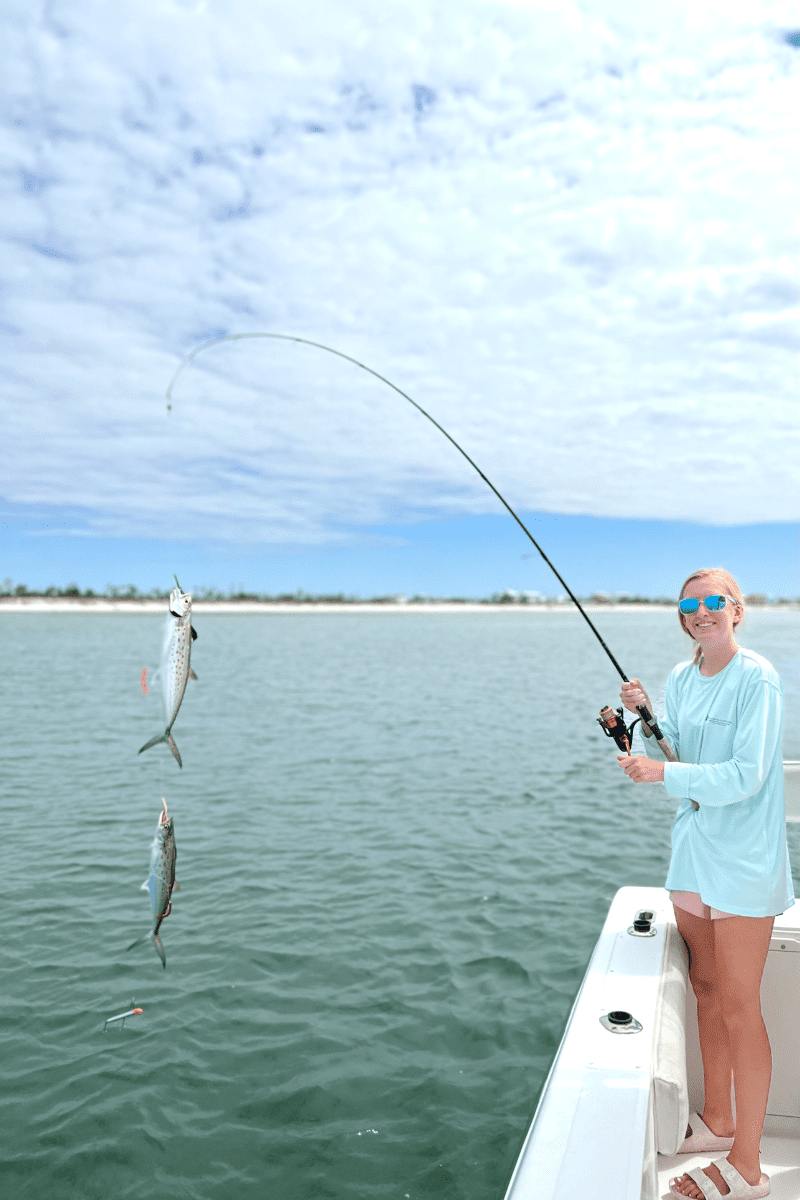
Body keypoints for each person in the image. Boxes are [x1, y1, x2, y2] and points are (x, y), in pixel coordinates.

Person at [616, 567, 794, 1200]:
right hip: (694, 856)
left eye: (714, 601)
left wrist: (663, 777)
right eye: (689, 605)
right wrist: (647, 719)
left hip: (744, 862)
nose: (701, 611)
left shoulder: (758, 679)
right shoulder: (682, 679)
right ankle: (718, 1120)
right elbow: (685, 751)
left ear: (737, 610)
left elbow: (744, 775)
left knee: (742, 1005)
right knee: (707, 985)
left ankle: (748, 1163)